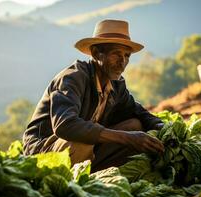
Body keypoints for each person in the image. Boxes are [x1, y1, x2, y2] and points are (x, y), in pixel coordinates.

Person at [22, 19, 165, 172]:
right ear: (96, 53)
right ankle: (75, 186)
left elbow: (136, 111)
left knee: (135, 125)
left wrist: (164, 128)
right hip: (43, 152)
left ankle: (94, 176)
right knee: (81, 144)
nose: (122, 62)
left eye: (127, 56)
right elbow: (65, 125)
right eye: (116, 54)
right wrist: (127, 138)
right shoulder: (73, 78)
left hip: (84, 151)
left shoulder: (115, 84)